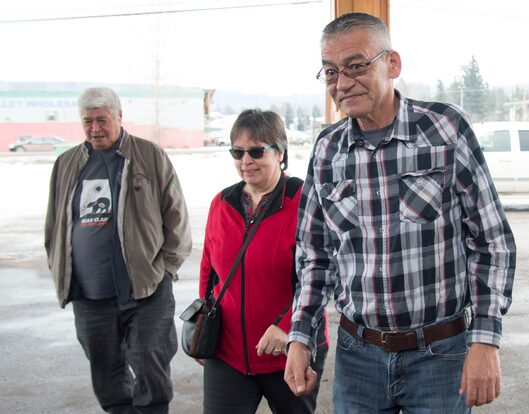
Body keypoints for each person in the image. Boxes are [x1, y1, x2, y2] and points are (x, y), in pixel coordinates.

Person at [284, 12, 517, 414]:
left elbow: (491, 243)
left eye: (356, 65)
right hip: (358, 357)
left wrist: (485, 340)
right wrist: (300, 337)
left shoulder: (445, 130)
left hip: (440, 354)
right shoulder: (326, 150)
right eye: (331, 72)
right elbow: (315, 257)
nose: (342, 83)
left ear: (392, 64)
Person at [45, 87, 192, 413]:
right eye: (88, 121)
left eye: (102, 120)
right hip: (90, 294)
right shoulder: (66, 164)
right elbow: (54, 226)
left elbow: (177, 217)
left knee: (150, 366)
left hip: (146, 289)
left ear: (119, 117)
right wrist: (61, 270)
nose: (95, 128)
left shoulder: (149, 155)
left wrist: (166, 269)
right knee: (105, 372)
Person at [197, 109, 328, 414]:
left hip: (290, 351)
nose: (246, 160)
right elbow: (208, 270)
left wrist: (287, 327)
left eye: (256, 151)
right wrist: (204, 325)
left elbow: (322, 275)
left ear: (280, 152)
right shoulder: (221, 203)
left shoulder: (306, 201)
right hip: (227, 355)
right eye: (238, 152)